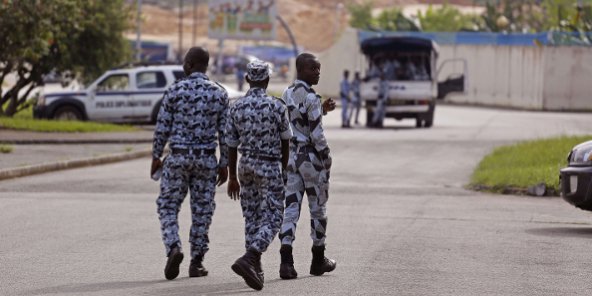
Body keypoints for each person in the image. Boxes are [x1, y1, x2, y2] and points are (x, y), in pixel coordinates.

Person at [151, 46, 229, 281]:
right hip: (206, 159)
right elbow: (225, 133)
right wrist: (224, 163)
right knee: (202, 211)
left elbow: (162, 127)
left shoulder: (174, 90)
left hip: (178, 157)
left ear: (189, 65)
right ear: (207, 66)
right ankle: (196, 262)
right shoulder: (219, 93)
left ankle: (174, 246)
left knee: (167, 206)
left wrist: (156, 156)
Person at [226, 60, 293, 291]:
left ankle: (255, 268)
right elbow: (286, 141)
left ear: (247, 79)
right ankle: (251, 256)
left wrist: (233, 176)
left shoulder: (236, 107)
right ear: (266, 80)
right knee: (274, 216)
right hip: (269, 164)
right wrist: (284, 170)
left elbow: (231, 144)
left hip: (245, 166)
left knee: (252, 216)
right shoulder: (276, 106)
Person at [278, 52, 337, 280]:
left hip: (292, 157)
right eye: (313, 69)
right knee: (318, 208)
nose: (318, 73)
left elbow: (296, 121)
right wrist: (326, 158)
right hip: (311, 160)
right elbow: (316, 133)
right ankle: (318, 259)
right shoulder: (312, 97)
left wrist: (323, 110)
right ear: (301, 70)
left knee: (291, 208)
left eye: (319, 69)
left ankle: (286, 262)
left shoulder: (287, 92)